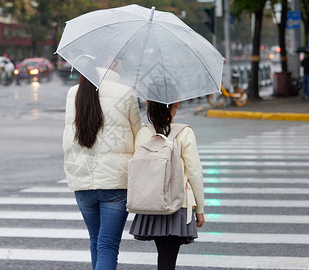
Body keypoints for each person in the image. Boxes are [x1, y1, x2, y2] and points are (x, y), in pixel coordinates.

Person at [63, 70, 141, 270]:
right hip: (115, 182)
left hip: (82, 182)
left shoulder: (74, 92)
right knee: (107, 246)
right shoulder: (125, 92)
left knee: (96, 242)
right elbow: (138, 137)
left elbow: (69, 137)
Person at [129, 100, 205, 270]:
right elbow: (194, 172)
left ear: (149, 104)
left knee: (164, 255)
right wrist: (199, 209)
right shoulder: (184, 133)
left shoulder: (143, 133)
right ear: (175, 104)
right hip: (177, 204)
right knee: (168, 258)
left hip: (151, 202)